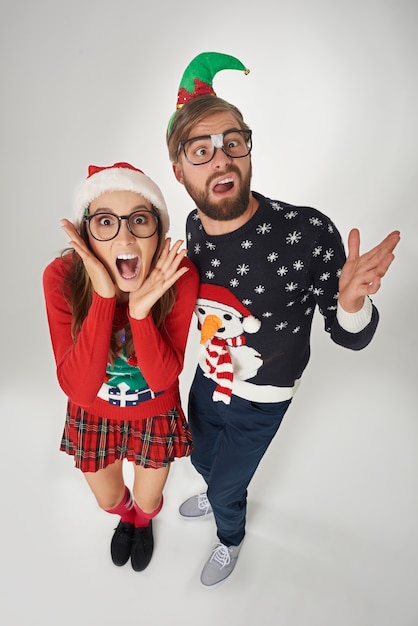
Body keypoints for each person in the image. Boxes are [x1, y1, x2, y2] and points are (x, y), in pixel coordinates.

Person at [166, 52, 401, 587]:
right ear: (180, 171)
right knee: (200, 456)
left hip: (265, 393)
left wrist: (351, 303)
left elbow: (348, 335)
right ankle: (216, 489)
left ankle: (231, 534)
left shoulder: (309, 231)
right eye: (200, 151)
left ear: (249, 150)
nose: (221, 159)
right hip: (209, 377)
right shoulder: (192, 227)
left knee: (228, 486)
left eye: (233, 142)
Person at [43, 162, 199, 572]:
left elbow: (164, 379)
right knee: (109, 500)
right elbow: (78, 387)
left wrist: (142, 311)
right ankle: (126, 520)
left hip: (154, 413)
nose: (125, 236)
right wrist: (102, 295)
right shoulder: (60, 277)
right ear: (86, 233)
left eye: (140, 221)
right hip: (92, 412)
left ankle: (143, 522)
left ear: (158, 232)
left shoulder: (179, 278)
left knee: (149, 501)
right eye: (106, 222)